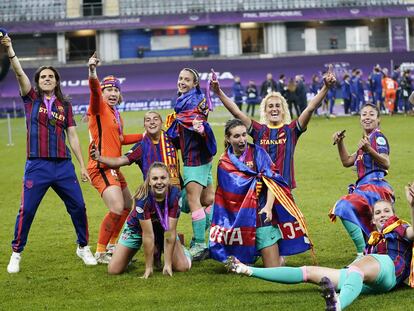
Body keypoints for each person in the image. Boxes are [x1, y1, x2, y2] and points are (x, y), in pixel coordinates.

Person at [226, 186, 414, 311]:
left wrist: (412, 205)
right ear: (372, 220)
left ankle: (338, 304)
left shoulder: (399, 227)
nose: (383, 215)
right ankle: (248, 269)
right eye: (378, 212)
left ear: (394, 214)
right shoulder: (373, 240)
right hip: (375, 281)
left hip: (389, 268)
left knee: (357, 269)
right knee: (309, 273)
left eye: (387, 211)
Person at [2, 34, 97, 273]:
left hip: (64, 166)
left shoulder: (65, 105)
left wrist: (82, 166)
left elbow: (73, 136)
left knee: (78, 206)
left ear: (56, 82)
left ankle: (83, 247)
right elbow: (19, 73)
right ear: (38, 81)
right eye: (43, 76)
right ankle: (16, 253)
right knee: (28, 210)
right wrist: (11, 49)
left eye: (50, 77)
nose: (46, 79)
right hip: (37, 165)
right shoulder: (30, 99)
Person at [211, 66, 336, 190]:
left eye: (277, 106)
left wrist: (326, 87)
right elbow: (237, 113)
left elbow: (310, 109)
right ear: (265, 111)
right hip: (262, 189)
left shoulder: (292, 130)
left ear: (283, 110)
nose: (274, 108)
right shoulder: (258, 130)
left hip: (284, 190)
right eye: (270, 106)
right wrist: (218, 92)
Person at [210, 119, 312, 267]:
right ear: (228, 138)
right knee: (236, 268)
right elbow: (226, 196)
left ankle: (278, 255)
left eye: (244, 135)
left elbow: (272, 180)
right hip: (240, 220)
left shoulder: (258, 152)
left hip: (261, 215)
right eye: (236, 136)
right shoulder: (224, 162)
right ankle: (253, 253)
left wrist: (268, 207)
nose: (242, 139)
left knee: (274, 268)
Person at [86, 53, 142, 263]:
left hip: (113, 167)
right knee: (117, 208)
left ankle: (112, 246)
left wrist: (145, 136)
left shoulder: (116, 113)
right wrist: (92, 71)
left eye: (116, 90)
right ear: (102, 92)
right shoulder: (98, 107)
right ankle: (100, 253)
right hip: (100, 166)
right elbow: (93, 91)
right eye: (109, 89)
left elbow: (120, 139)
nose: (113, 93)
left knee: (128, 205)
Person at [329, 103, 394, 260]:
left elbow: (386, 163)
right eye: (364, 114)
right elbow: (346, 161)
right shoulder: (365, 141)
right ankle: (373, 259)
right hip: (365, 189)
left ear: (378, 119)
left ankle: (361, 254)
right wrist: (340, 142)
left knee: (342, 206)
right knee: (375, 235)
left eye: (371, 114)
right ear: (359, 119)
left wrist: (369, 150)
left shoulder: (377, 137)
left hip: (375, 188)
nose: (367, 117)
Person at [165, 68, 216, 260]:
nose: (182, 82)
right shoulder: (187, 99)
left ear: (195, 84)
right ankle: (211, 240)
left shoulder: (192, 101)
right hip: (204, 159)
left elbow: (195, 123)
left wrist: (171, 128)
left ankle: (200, 244)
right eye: (180, 78)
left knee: (193, 201)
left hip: (194, 158)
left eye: (187, 80)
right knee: (208, 199)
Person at [108, 162, 192, 277]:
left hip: (164, 228)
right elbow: (147, 235)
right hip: (137, 229)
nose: (159, 182)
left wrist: (167, 264)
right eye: (155, 178)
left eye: (163, 178)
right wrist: (148, 268)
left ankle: (183, 250)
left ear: (169, 179)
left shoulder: (175, 195)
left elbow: (170, 231)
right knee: (114, 270)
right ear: (149, 181)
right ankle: (133, 255)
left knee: (182, 267)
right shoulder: (142, 198)